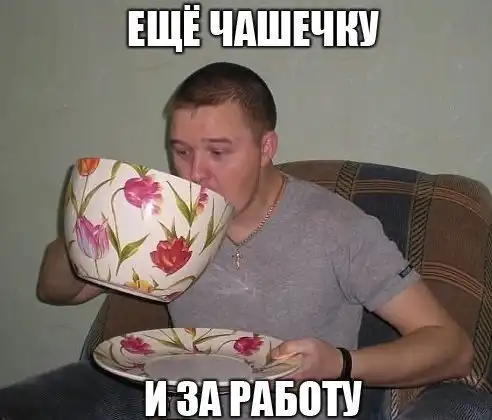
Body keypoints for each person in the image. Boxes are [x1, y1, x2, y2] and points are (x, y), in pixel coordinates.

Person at [0, 61, 489, 420]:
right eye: (181, 152)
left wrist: (341, 364)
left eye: (218, 152)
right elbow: (57, 291)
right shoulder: (168, 215)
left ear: (265, 147)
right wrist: (89, 225)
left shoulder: (337, 227)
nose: (196, 174)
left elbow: (451, 347)